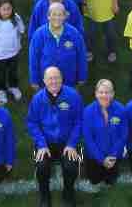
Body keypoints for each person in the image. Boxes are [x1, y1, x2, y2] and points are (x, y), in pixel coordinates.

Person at [27, 66, 83, 207]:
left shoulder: (73, 96)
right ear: (44, 81)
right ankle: (45, 195)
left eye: (56, 77)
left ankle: (68, 193)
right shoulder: (37, 99)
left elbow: (79, 121)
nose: (53, 81)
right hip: (46, 142)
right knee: (41, 167)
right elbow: (32, 123)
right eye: (50, 78)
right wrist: (41, 144)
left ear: (62, 79)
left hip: (66, 141)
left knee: (71, 167)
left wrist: (71, 143)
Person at [81, 78, 129, 187]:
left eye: (107, 92)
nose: (104, 95)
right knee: (94, 181)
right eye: (101, 92)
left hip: (113, 156)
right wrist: (101, 159)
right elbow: (88, 139)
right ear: (96, 94)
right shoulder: (88, 111)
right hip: (95, 156)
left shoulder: (121, 110)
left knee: (111, 182)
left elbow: (123, 135)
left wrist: (113, 155)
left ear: (113, 93)